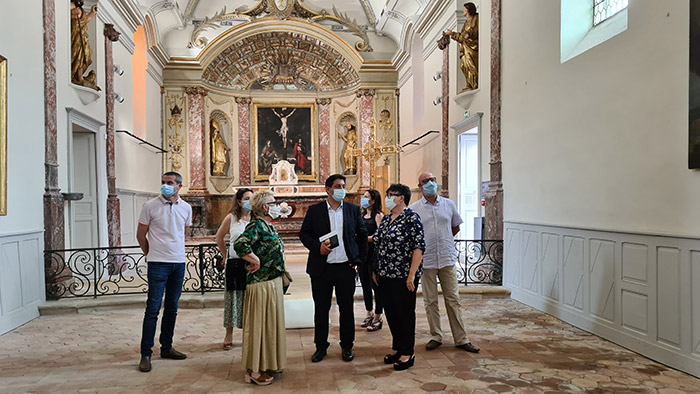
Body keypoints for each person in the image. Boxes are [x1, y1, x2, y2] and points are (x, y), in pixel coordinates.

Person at [408, 172, 480, 354]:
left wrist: (443, 240)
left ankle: (461, 338)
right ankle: (436, 336)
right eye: (426, 181)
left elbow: (455, 226)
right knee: (430, 301)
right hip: (427, 260)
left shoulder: (449, 204)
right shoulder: (414, 209)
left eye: (432, 180)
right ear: (420, 186)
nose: (430, 183)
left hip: (447, 258)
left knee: (453, 299)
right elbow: (411, 235)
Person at [299, 174, 367, 363]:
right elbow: (304, 234)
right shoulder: (315, 211)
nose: (341, 189)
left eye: (343, 186)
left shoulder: (353, 210)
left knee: (347, 309)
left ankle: (347, 346)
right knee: (321, 309)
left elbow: (362, 236)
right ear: (328, 189)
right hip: (322, 269)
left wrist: (359, 259)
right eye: (337, 186)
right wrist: (317, 247)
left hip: (346, 267)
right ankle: (321, 347)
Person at [136, 171, 193, 373]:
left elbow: (183, 233)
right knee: (152, 308)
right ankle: (145, 353)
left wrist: (173, 251)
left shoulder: (186, 207)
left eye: (169, 182)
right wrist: (150, 253)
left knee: (172, 308)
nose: (165, 185)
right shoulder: (150, 206)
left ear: (179, 186)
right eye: (163, 182)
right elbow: (141, 235)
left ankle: (167, 348)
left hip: (178, 263)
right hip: (157, 263)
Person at [233, 190, 287, 385]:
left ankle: (266, 362)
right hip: (261, 284)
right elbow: (240, 244)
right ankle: (253, 370)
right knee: (258, 327)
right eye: (273, 203)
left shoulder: (267, 225)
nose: (276, 206)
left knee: (268, 326)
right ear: (265, 207)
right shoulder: (256, 225)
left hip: (271, 282)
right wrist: (254, 259)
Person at [373, 183, 425, 371]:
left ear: (401, 198)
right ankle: (398, 347)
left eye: (390, 195)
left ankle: (407, 352)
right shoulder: (387, 219)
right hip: (385, 273)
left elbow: (418, 247)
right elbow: (379, 243)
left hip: (403, 275)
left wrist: (412, 275)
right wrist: (376, 269)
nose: (387, 198)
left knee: (404, 313)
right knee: (392, 313)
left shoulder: (412, 218)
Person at [214, 188, 253, 350]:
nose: (250, 201)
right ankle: (229, 334)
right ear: (239, 201)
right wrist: (225, 255)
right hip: (235, 262)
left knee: (250, 300)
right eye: (247, 198)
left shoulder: (257, 218)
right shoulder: (232, 218)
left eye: (252, 198)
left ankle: (249, 334)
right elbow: (219, 237)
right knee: (232, 299)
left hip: (252, 263)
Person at [358, 189, 384, 332]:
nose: (363, 198)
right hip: (363, 255)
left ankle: (378, 315)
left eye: (366, 197)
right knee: (365, 285)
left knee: (376, 287)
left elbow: (380, 236)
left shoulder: (378, 216)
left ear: (373, 200)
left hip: (374, 255)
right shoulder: (361, 215)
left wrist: (364, 238)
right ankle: (369, 312)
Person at [444, 2, 479, 90]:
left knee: (472, 66)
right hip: (465, 49)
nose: (463, 10)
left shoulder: (476, 18)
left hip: (473, 48)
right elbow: (462, 37)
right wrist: (452, 34)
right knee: (463, 66)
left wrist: (469, 34)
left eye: (464, 9)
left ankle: (475, 84)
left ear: (468, 10)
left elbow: (475, 30)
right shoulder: (465, 23)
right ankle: (469, 85)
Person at [70, 0, 99, 90]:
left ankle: (77, 77)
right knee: (80, 57)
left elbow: (85, 21)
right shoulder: (72, 7)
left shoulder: (80, 10)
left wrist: (92, 13)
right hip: (76, 37)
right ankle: (79, 78)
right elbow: (64, 15)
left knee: (88, 59)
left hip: (83, 37)